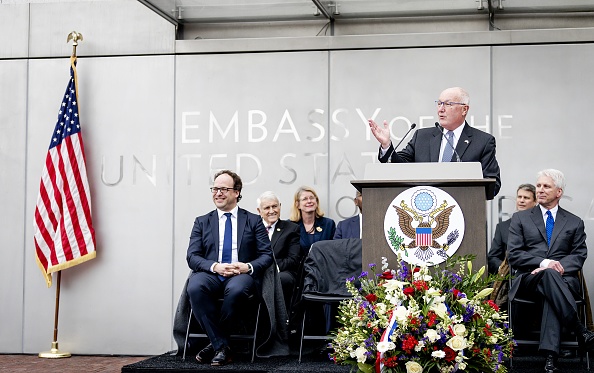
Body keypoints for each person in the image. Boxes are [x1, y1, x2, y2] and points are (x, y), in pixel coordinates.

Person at [508, 169, 594, 373]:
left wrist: (558, 267)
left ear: (559, 192)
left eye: (546, 186)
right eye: (538, 185)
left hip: (563, 279)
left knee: (551, 284)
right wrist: (544, 263)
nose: (540, 190)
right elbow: (514, 254)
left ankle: (550, 357)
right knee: (549, 275)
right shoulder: (520, 218)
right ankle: (580, 330)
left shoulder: (574, 222)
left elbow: (579, 254)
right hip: (530, 278)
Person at [186, 170, 274, 366]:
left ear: (236, 192)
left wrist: (247, 267)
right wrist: (215, 266)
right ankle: (221, 346)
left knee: (236, 290)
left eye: (224, 189)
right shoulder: (202, 221)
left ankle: (216, 344)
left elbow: (267, 255)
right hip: (212, 273)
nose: (218, 193)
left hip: (239, 275)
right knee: (194, 287)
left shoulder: (252, 220)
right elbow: (192, 256)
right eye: (215, 189)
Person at [368, 86, 501, 197]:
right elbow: (399, 166)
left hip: (465, 215)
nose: (440, 109)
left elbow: (493, 185)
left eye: (448, 104)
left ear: (464, 109)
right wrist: (386, 145)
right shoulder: (422, 136)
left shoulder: (483, 141)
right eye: (439, 103)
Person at [256, 191, 302, 313]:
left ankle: (278, 323)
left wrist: (269, 269)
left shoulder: (291, 229)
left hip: (282, 272)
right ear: (259, 211)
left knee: (279, 280)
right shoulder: (253, 228)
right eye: (267, 208)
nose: (272, 211)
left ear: (280, 206)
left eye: (275, 206)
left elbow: (293, 259)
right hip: (257, 272)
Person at [487, 183, 537, 275]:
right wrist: (505, 270)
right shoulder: (502, 227)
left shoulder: (542, 225)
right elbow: (493, 257)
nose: (521, 201)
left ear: (535, 202)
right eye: (519, 197)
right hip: (510, 280)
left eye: (526, 198)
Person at [289, 186, 336, 254]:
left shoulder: (328, 224)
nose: (309, 201)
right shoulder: (290, 226)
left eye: (311, 198)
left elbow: (334, 250)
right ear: (297, 204)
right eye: (305, 199)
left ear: (316, 202)